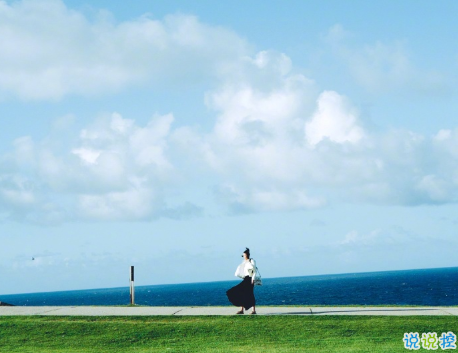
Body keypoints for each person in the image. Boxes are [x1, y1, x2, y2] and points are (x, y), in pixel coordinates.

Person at [226, 247, 257, 314]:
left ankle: (253, 310)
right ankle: (242, 309)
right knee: (240, 292)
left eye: (244, 255)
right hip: (246, 278)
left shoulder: (252, 261)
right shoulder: (244, 262)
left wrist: (253, 279)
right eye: (243, 255)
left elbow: (254, 271)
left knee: (250, 294)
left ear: (247, 255)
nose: (244, 256)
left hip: (250, 278)